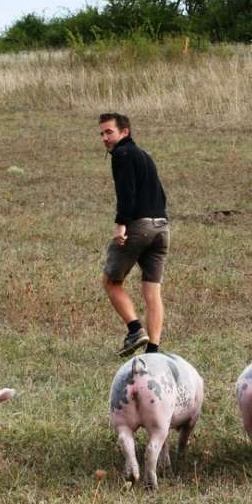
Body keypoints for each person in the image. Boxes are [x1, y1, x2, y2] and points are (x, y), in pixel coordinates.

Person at [99, 113, 169, 356]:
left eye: (109, 132)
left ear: (125, 132)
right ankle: (153, 352)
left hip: (139, 227)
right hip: (162, 227)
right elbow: (162, 194)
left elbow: (126, 194)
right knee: (152, 291)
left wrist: (121, 225)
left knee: (111, 282)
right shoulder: (144, 156)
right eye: (102, 133)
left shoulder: (122, 154)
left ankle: (135, 329)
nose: (105, 138)